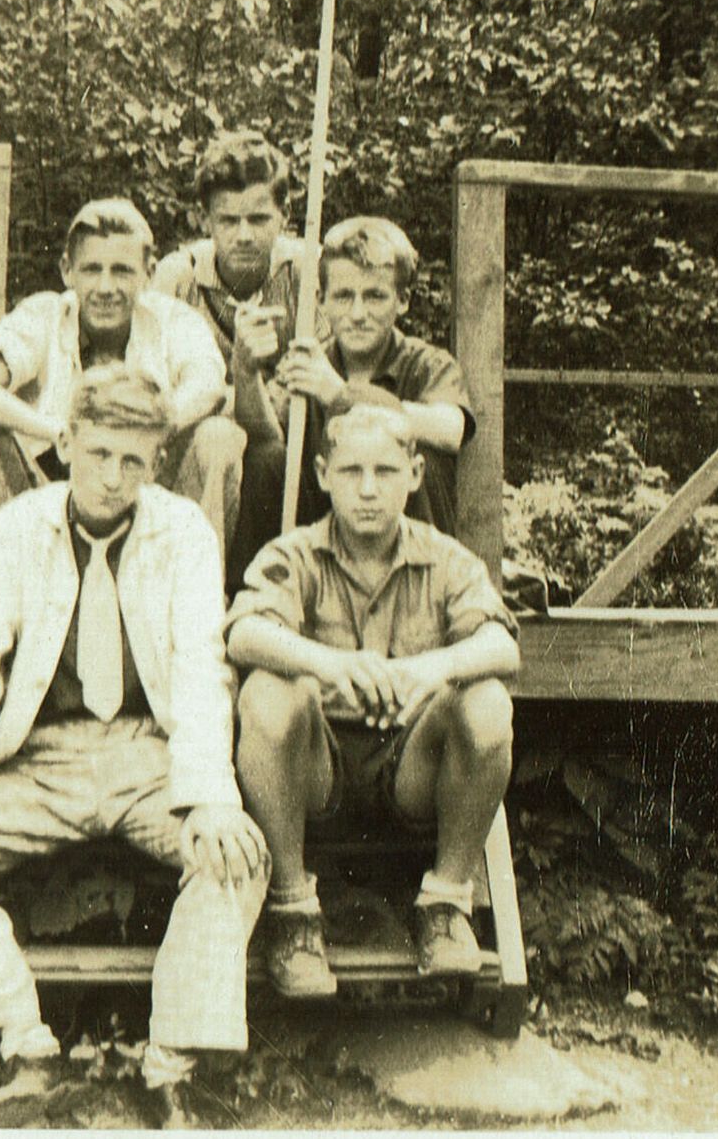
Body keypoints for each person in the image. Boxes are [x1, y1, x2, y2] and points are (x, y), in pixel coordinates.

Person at [0, 363, 269, 1127]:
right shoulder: (18, 529)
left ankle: (172, 1062)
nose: (112, 476)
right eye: (97, 454)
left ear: (157, 460)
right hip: (41, 757)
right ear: (65, 443)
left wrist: (210, 797)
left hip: (146, 753)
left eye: (133, 460)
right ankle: (26, 1051)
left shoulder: (182, 532)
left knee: (237, 856)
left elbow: (202, 669)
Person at [226, 403, 518, 998]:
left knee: (487, 702)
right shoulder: (293, 554)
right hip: (317, 770)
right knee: (267, 694)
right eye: (351, 471)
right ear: (322, 475)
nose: (367, 490)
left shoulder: (447, 558)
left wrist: (426, 670)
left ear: (414, 474)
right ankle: (293, 915)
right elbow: (244, 633)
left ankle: (445, 906)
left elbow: (502, 646)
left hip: (413, 768)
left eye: (385, 472)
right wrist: (331, 665)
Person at [0, 197, 243, 573]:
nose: (105, 287)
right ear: (68, 271)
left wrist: (139, 434)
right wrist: (58, 431)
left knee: (219, 437)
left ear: (149, 273)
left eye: (122, 271)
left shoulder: (174, 320)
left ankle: (193, 597)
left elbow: (208, 386)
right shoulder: (44, 314)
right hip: (47, 493)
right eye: (92, 270)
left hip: (145, 490)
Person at [150, 129, 318, 580]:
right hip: (194, 461)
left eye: (259, 219)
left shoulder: (307, 276)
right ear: (206, 220)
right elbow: (157, 399)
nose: (244, 236)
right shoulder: (176, 280)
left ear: (285, 216)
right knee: (216, 438)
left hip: (285, 469)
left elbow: (283, 425)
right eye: (228, 220)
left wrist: (239, 381)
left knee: (269, 458)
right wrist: (238, 393)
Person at [252, 215, 474, 534]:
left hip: (406, 543)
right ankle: (266, 568)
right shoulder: (310, 363)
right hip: (322, 537)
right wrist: (246, 373)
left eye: (374, 296)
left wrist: (340, 395)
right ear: (321, 301)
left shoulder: (427, 364)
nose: (357, 314)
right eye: (344, 296)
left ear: (402, 301)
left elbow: (450, 430)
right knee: (266, 460)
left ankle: (417, 566)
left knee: (417, 455)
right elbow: (264, 432)